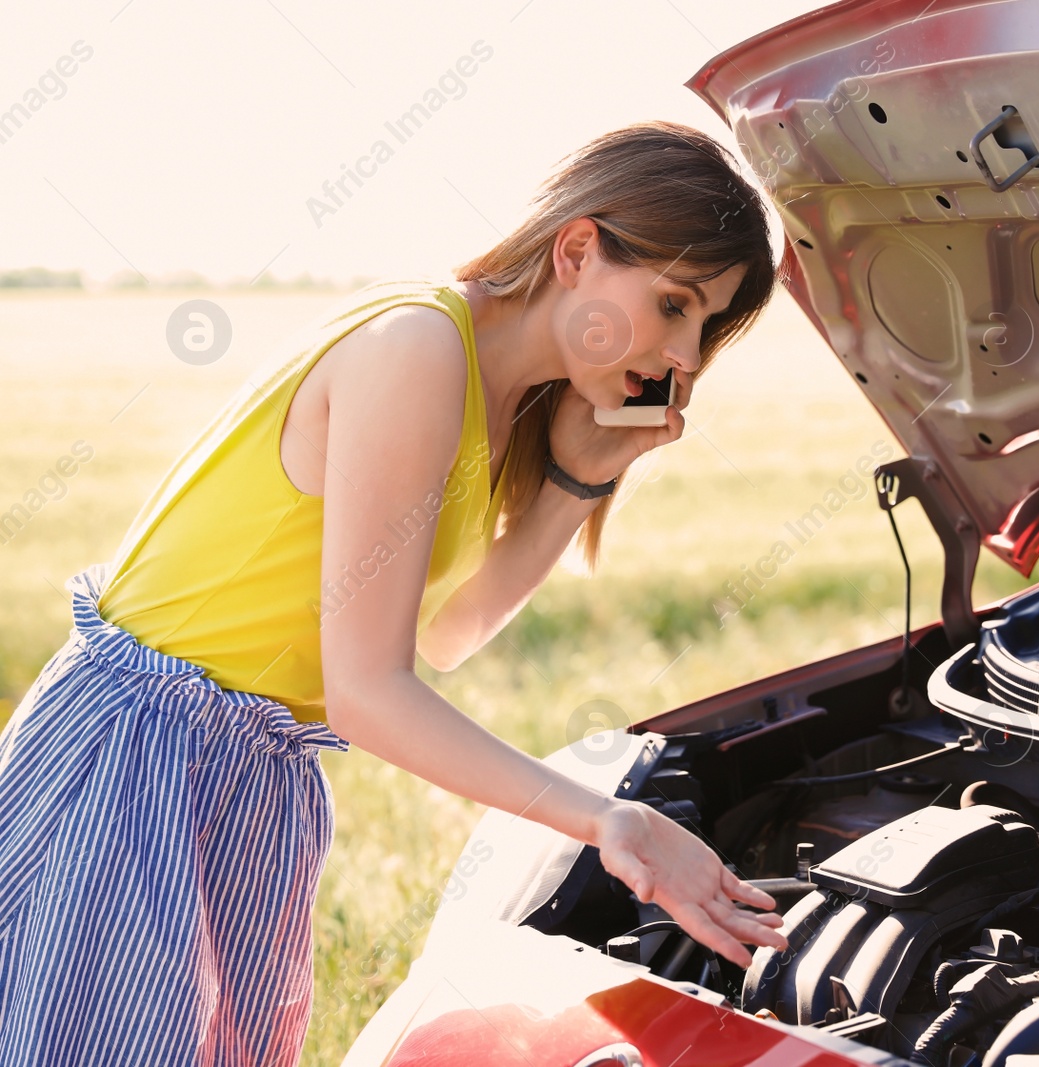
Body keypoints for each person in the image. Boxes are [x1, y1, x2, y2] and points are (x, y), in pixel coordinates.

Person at [0, 121, 789, 1066]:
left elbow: (446, 634)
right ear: (578, 250)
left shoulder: (504, 396)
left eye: (707, 326)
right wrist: (603, 816)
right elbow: (368, 693)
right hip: (140, 756)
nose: (686, 357)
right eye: (673, 304)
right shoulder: (419, 347)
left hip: (252, 772)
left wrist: (574, 482)